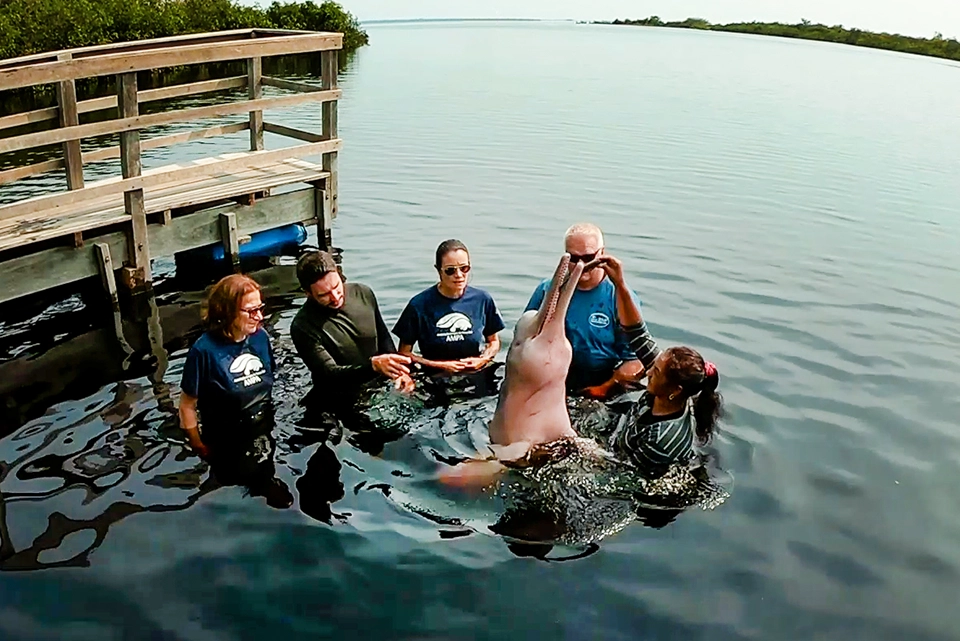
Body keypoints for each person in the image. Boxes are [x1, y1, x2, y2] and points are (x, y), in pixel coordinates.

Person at [600, 254, 724, 478]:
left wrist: (582, 451)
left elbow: (622, 473)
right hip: (624, 439)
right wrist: (619, 283)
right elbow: (637, 333)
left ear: (675, 390)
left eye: (655, 372)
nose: (647, 372)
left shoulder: (662, 440)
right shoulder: (668, 389)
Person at [178, 273, 292, 508]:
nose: (259, 316)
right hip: (227, 435)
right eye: (250, 311)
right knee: (237, 478)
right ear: (227, 312)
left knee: (265, 469)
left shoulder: (260, 338)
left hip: (263, 423)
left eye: (260, 308)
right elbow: (187, 405)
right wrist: (198, 445)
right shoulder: (204, 351)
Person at [524, 223, 643, 398]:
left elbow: (635, 359)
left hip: (602, 377)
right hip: (553, 373)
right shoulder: (548, 290)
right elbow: (525, 338)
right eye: (573, 258)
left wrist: (604, 388)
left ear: (601, 253)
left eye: (588, 258)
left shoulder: (619, 298)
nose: (581, 265)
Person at [290, 250, 414, 413]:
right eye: (324, 295)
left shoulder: (363, 293)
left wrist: (400, 373)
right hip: (339, 398)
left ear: (340, 274)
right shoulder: (302, 326)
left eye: (336, 286)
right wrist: (373, 366)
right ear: (308, 293)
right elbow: (330, 374)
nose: (335, 297)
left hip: (377, 386)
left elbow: (384, 338)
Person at [393, 239, 505, 383]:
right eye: (450, 270)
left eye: (464, 268)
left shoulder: (482, 300)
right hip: (434, 378)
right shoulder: (419, 305)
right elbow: (404, 353)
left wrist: (483, 359)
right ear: (438, 270)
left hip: (474, 374)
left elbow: (494, 341)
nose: (458, 275)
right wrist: (441, 365)